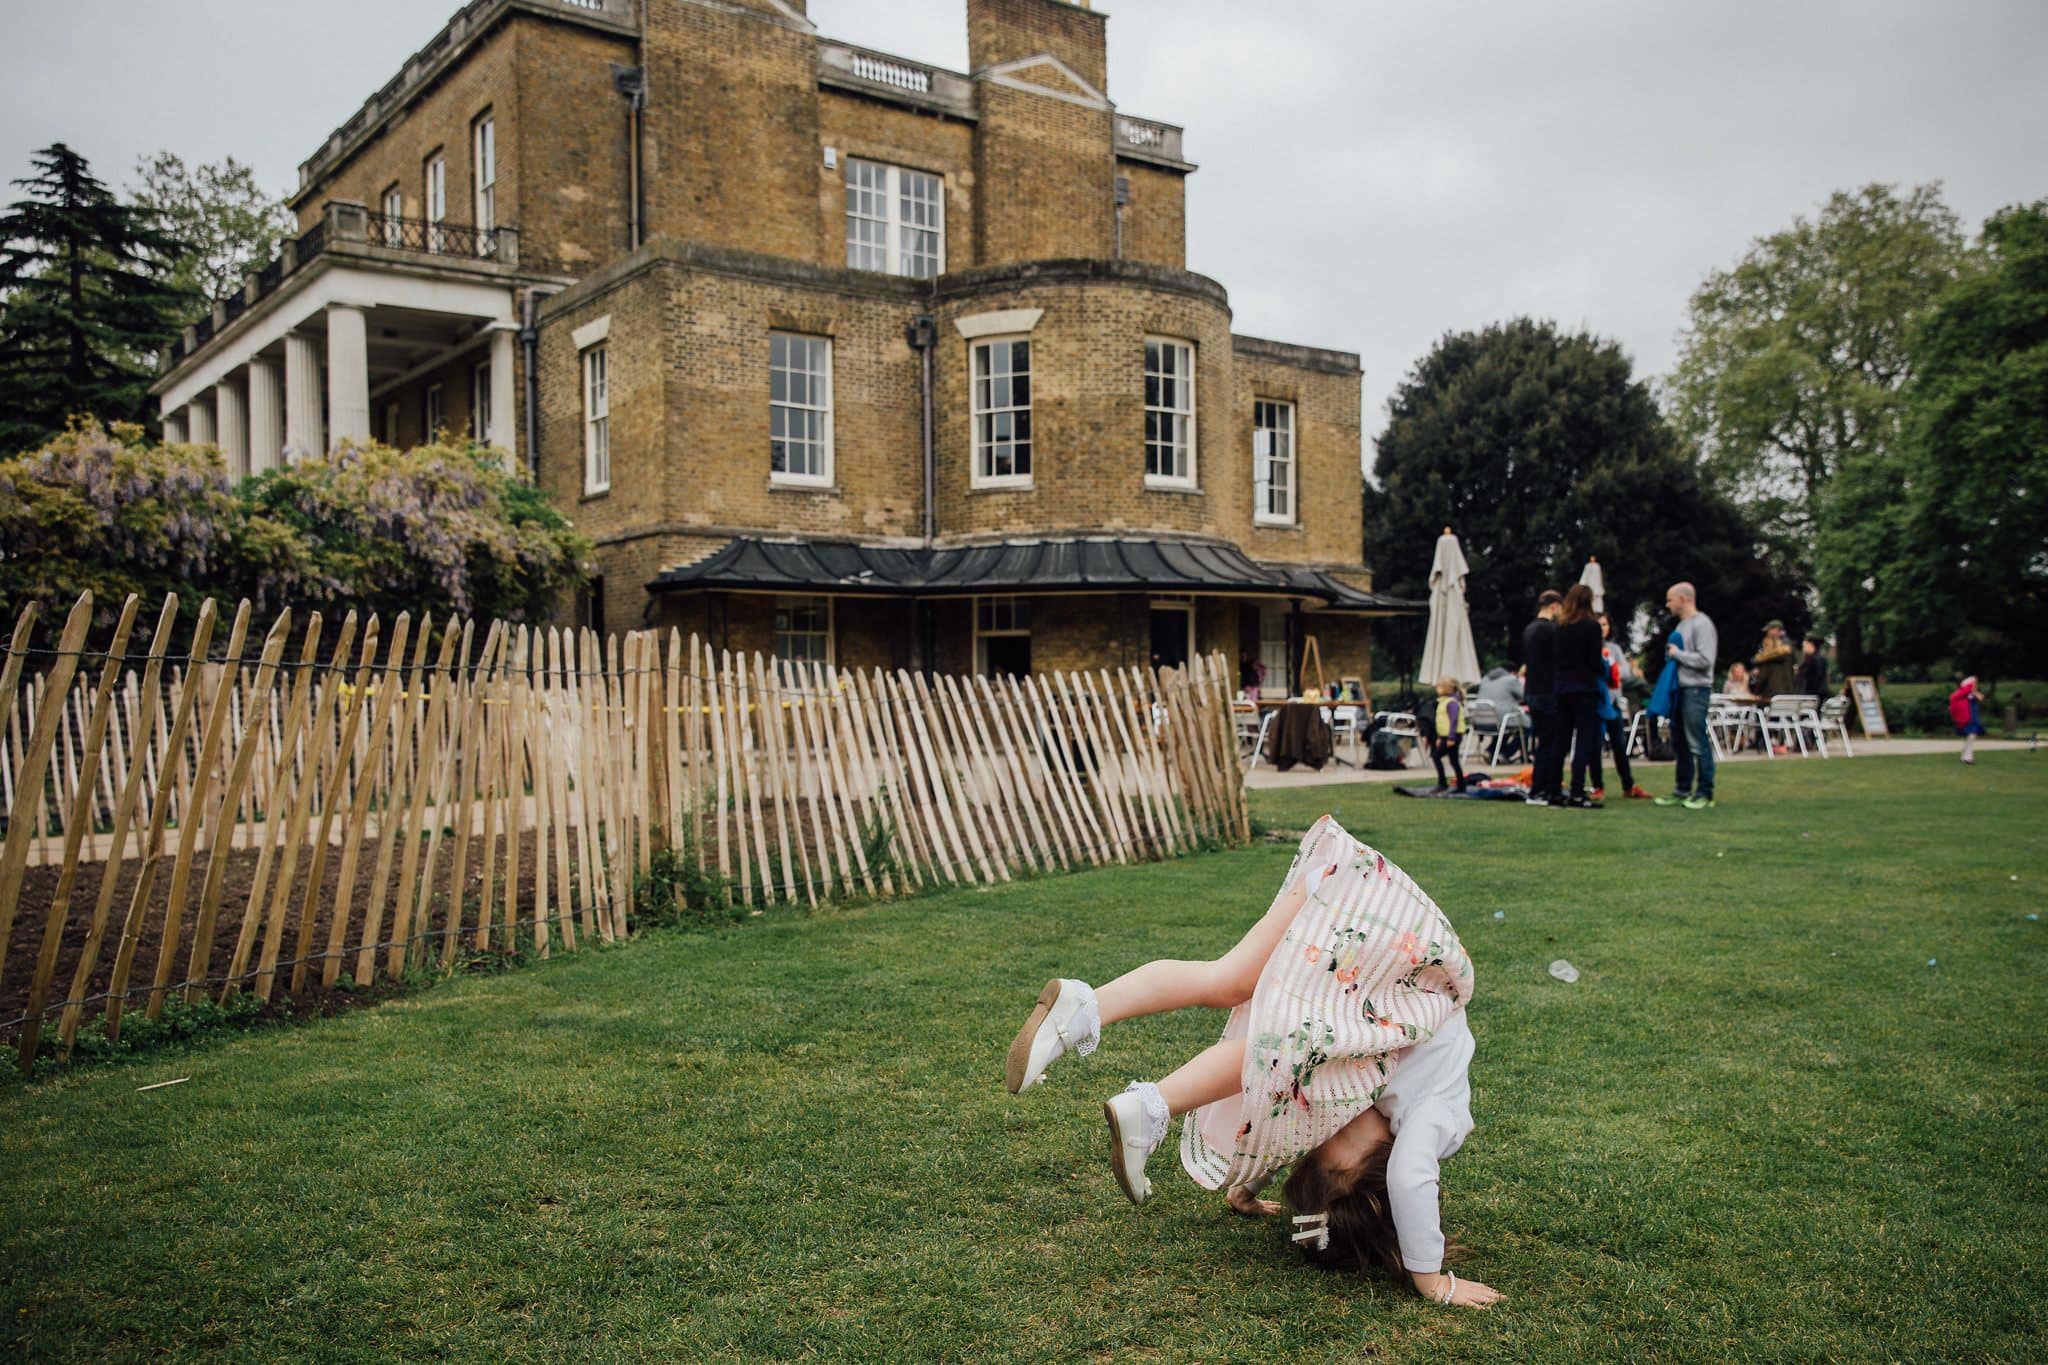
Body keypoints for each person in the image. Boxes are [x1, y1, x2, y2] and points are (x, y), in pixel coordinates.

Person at [1004, 815, 1500, 1310]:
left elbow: (1296, 1122)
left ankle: (1083, 1009)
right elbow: (1410, 1176)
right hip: (1382, 927)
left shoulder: (1365, 1097)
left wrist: (1245, 1187)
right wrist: (1430, 1278)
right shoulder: (1436, 1118)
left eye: (1320, 1143)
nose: (1334, 1124)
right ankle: (1151, 1106)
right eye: (1344, 1138)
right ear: (1383, 1159)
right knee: (1282, 1056)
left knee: (1226, 982)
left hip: (1349, 890)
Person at [1655, 582, 1718, 810]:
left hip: (1696, 689)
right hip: (1680, 689)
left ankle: (1705, 792)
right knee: (1679, 741)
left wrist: (1677, 654)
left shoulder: (1702, 624)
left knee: (1696, 740)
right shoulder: (1681, 626)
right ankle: (1682, 790)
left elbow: (1705, 660)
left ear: (1683, 599)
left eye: (1670, 599)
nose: (1667, 604)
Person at [1552, 584, 1605, 808]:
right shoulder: (1591, 627)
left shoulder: (1560, 627)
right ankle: (1577, 789)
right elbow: (1594, 661)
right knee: (1583, 741)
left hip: (1562, 688)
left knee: (1561, 741)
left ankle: (1554, 789)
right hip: (1584, 687)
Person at [1595, 613, 1650, 799]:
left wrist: (1612, 668)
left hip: (1613, 702)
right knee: (1595, 745)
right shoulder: (1589, 647)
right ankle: (1597, 786)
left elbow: (1625, 672)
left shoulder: (1613, 648)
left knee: (1619, 744)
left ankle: (1628, 785)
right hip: (1596, 702)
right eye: (1598, 624)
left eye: (1604, 624)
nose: (1602, 628)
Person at [1522, 590, 1564, 805]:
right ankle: (1543, 787)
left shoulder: (1530, 629)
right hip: (1548, 691)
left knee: (1543, 742)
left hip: (1532, 691)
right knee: (1551, 742)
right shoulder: (1551, 630)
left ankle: (1540, 786)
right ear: (1555, 606)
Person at [1428, 677, 1467, 790]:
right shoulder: (1443, 702)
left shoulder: (1452, 703)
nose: (1436, 688)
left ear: (1447, 689)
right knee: (1453, 761)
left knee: (1436, 756)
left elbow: (1453, 721)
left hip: (1453, 736)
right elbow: (1442, 722)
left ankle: (1443, 783)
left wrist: (1451, 738)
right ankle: (1460, 785)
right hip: (1446, 736)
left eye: (1439, 686)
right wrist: (1440, 737)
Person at [1749, 622, 1795, 703]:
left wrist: (1756, 691)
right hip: (1787, 691)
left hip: (1770, 693)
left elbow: (1764, 673)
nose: (1767, 634)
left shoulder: (1776, 649)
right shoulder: (1788, 645)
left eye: (1769, 631)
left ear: (1775, 630)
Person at [1950, 676, 1986, 764]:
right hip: (1969, 718)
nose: (1976, 685)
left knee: (1970, 738)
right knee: (1971, 737)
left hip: (1973, 717)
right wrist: (1972, 690)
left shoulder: (1971, 693)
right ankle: (1967, 757)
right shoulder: (1966, 694)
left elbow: (1981, 697)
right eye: (1974, 683)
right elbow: (1980, 697)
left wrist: (1974, 691)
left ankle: (1965, 757)